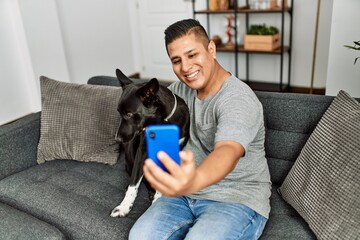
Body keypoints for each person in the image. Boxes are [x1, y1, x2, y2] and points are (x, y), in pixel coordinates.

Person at [129, 19, 271, 240]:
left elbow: (227, 151)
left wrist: (193, 180)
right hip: (182, 196)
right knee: (139, 237)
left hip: (235, 198)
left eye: (192, 55)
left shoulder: (238, 98)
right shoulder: (177, 93)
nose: (185, 68)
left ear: (211, 49)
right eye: (176, 60)